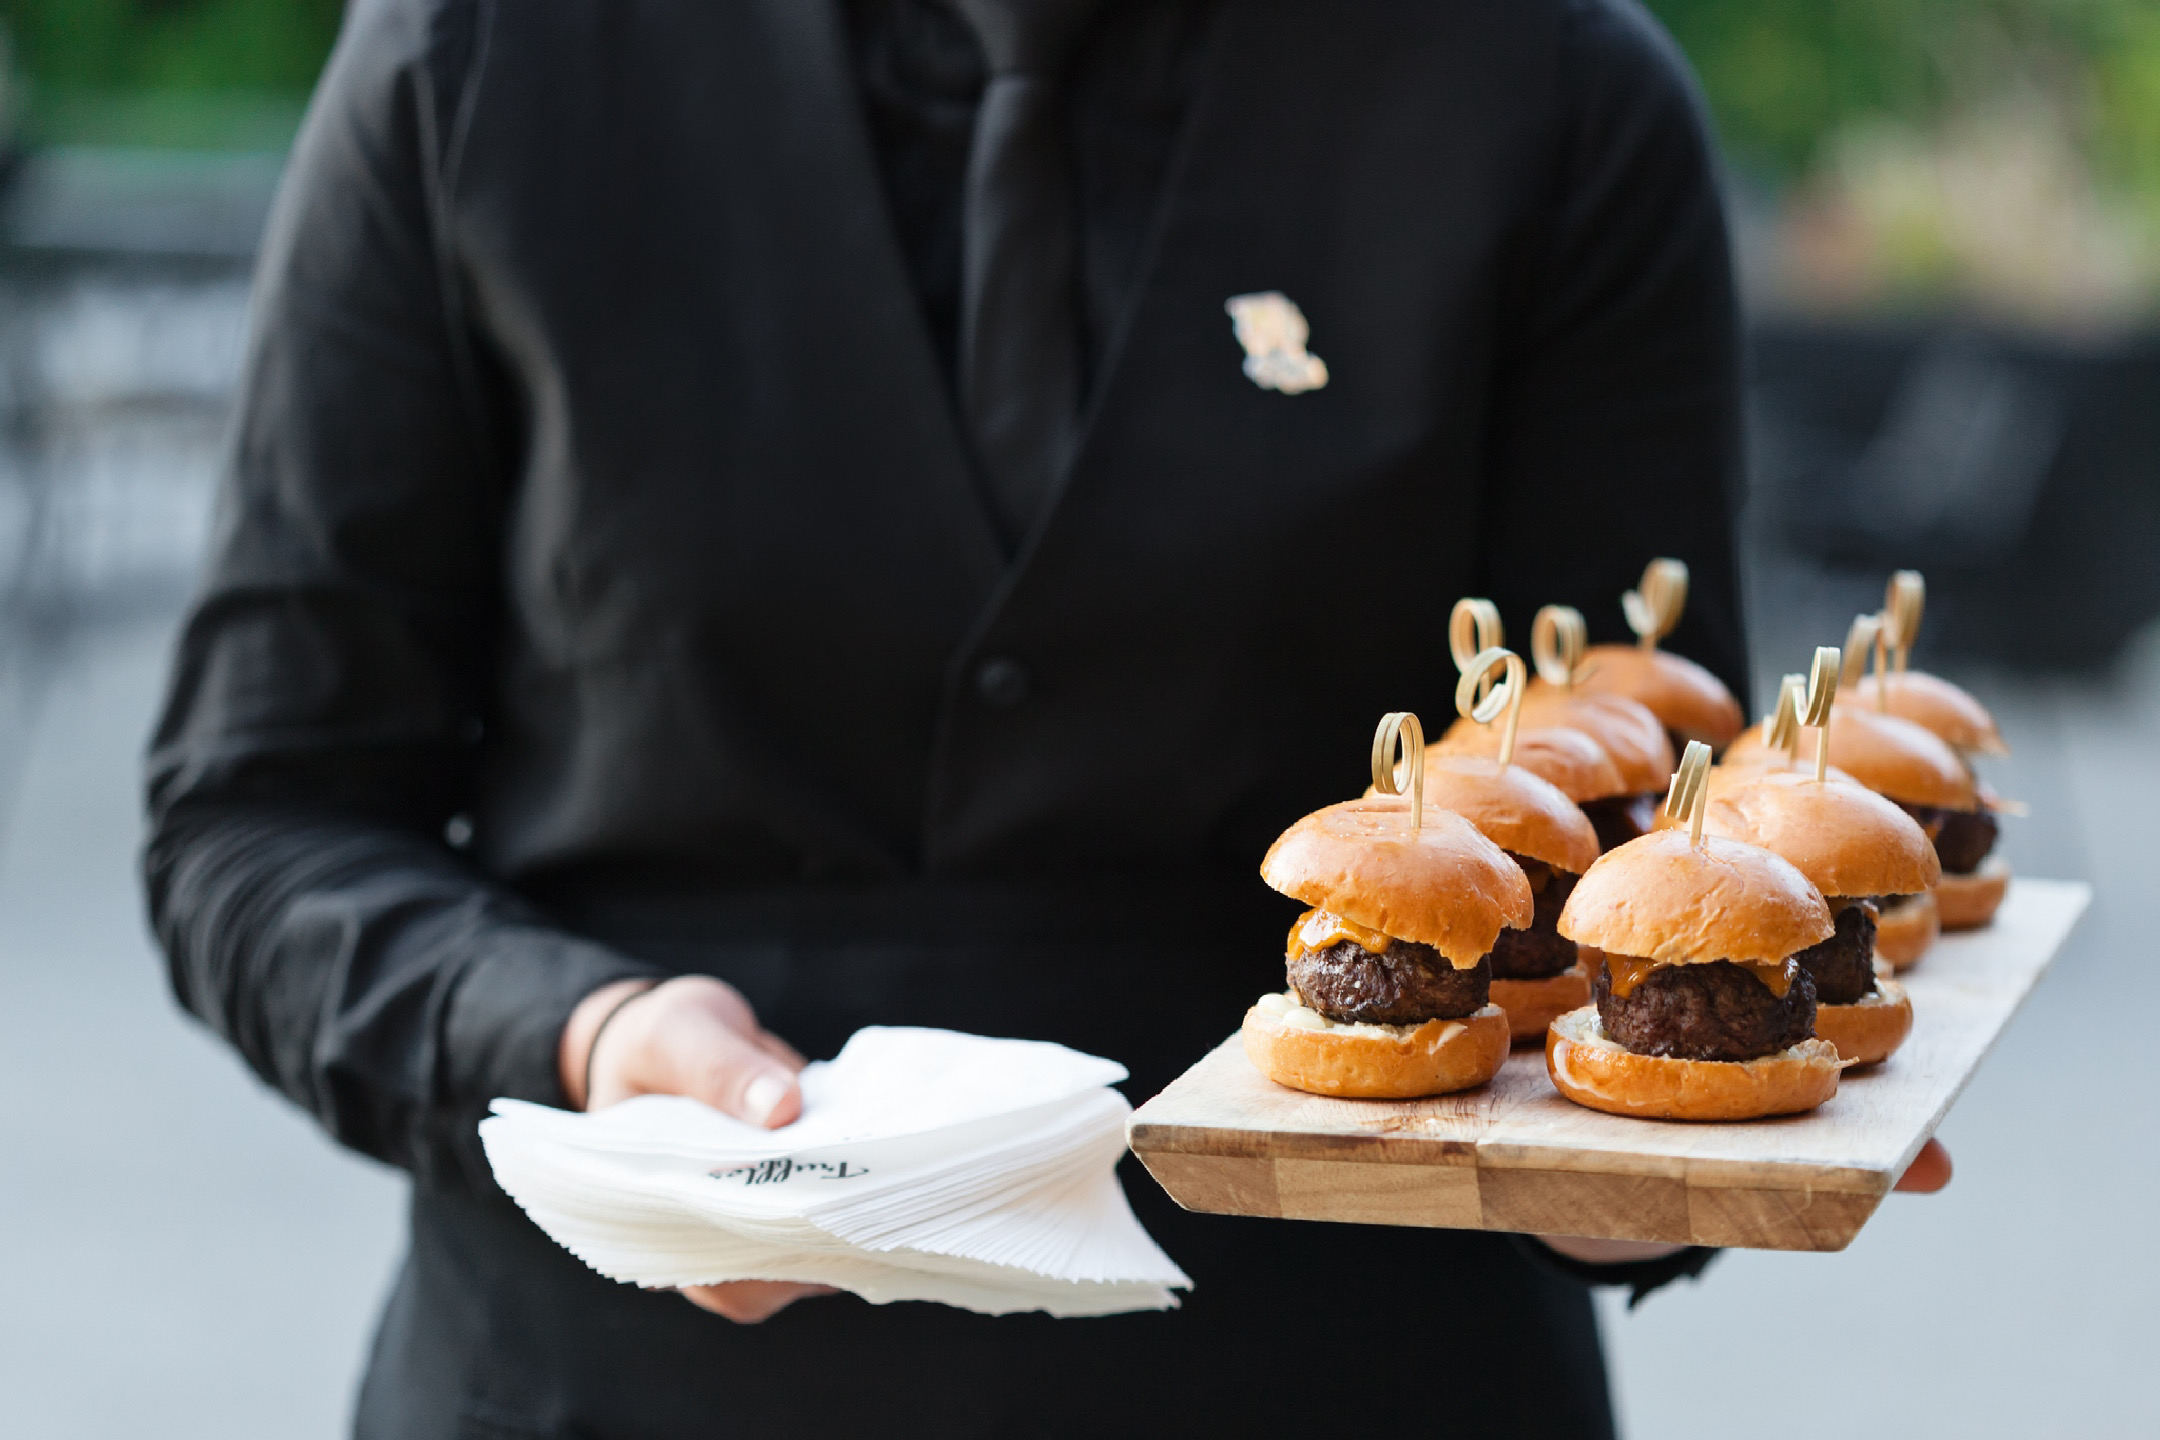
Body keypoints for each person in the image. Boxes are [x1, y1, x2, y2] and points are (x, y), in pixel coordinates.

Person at [142, 0, 1946, 1435]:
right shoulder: (477, 57)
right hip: (614, 1385)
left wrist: (1635, 1162)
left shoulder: (1551, 94)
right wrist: (576, 1034)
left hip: (1352, 1370)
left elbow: (1667, 832)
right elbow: (256, 814)